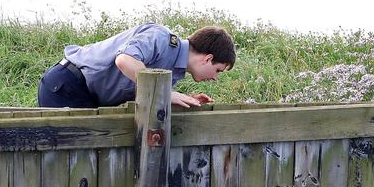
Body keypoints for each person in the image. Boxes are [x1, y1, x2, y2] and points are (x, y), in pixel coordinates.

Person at [38, 23, 236, 109]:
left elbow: (144, 94)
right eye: (218, 70)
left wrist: (179, 100)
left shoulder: (175, 70)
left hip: (87, 96)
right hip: (67, 85)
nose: (215, 77)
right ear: (207, 58)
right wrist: (164, 93)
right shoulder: (161, 38)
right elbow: (124, 60)